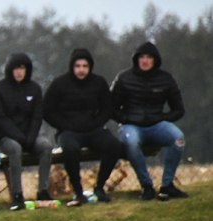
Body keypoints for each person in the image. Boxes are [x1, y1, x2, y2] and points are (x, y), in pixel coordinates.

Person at [43, 48, 120, 206]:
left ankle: (99, 188)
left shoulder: (99, 83)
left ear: (90, 67)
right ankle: (78, 192)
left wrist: (95, 122)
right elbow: (47, 111)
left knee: (114, 146)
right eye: (78, 66)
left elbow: (107, 109)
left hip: (94, 129)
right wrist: (65, 125)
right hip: (68, 131)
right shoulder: (59, 84)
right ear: (72, 66)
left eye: (85, 66)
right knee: (70, 149)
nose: (81, 70)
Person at [111, 41, 187, 201]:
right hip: (131, 127)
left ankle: (167, 186)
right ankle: (146, 186)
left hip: (156, 125)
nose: (145, 61)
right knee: (131, 143)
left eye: (149, 57)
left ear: (155, 60)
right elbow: (110, 108)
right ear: (136, 59)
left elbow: (179, 110)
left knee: (178, 138)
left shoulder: (165, 79)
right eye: (142, 57)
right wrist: (125, 119)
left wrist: (161, 118)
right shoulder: (124, 78)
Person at [0, 53, 54, 210]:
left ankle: (43, 191)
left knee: (46, 147)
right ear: (10, 70)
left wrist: (31, 137)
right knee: (15, 149)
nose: (19, 72)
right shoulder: (0, 88)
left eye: (22, 68)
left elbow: (37, 116)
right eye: (15, 69)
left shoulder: (34, 89)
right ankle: (17, 195)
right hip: (8, 138)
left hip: (31, 136)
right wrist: (18, 136)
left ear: (27, 70)